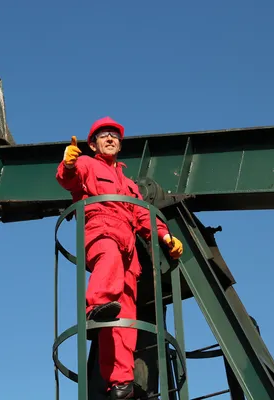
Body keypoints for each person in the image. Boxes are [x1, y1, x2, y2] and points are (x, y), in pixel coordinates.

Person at [55, 116, 184, 399]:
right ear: (93, 144)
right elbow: (70, 180)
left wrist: (165, 237)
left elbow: (143, 216)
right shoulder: (87, 165)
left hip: (128, 247)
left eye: (114, 135)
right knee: (109, 263)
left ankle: (120, 382)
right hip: (102, 230)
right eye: (104, 136)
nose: (110, 138)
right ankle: (95, 306)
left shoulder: (128, 185)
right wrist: (67, 163)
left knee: (125, 315)